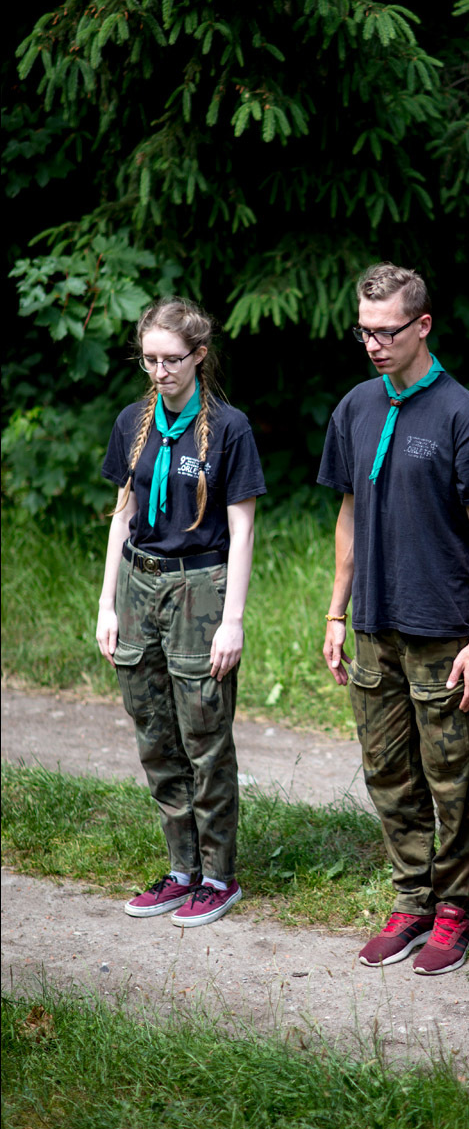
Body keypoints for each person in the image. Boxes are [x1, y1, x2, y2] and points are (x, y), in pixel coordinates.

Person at [318, 262, 469, 975]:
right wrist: (336, 613)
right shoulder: (355, 407)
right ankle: (411, 900)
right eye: (364, 331)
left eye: (387, 331)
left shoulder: (463, 414)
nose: (373, 344)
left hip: (444, 630)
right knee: (386, 771)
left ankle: (456, 910)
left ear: (423, 325)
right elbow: (347, 514)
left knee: (450, 776)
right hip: (373, 624)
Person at [96, 297, 266, 928]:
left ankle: (219, 876)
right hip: (139, 583)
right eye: (149, 359)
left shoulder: (229, 429)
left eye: (171, 359)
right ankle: (181, 870)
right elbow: (122, 516)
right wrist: (107, 603)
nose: (159, 371)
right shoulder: (131, 422)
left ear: (199, 355)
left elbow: (242, 530)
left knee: (204, 736)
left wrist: (233, 620)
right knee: (155, 734)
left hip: (201, 589)